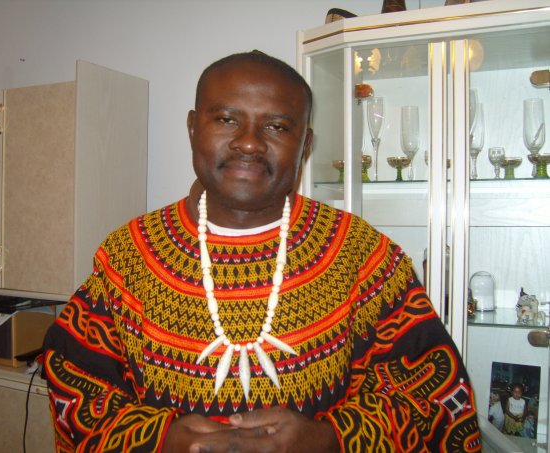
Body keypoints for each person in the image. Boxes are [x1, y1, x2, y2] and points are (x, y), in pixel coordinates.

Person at [42, 50, 481, 452]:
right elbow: (74, 384)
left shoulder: (360, 256)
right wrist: (158, 439)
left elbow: (433, 396)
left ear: (305, 145)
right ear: (193, 128)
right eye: (226, 119)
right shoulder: (130, 256)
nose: (249, 142)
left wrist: (331, 439)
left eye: (276, 126)